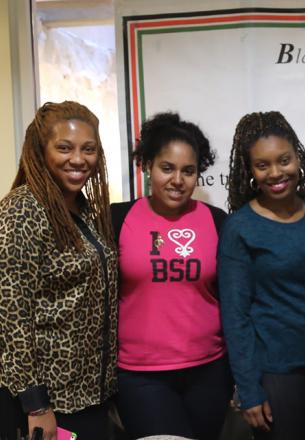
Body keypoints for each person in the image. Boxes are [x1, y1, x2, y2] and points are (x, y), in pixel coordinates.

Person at [218, 111, 305, 440]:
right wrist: (248, 389)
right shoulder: (241, 228)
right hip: (278, 375)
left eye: (284, 160)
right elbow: (235, 316)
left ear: (298, 159)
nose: (276, 173)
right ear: (251, 171)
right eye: (263, 165)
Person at [0, 101, 117, 440]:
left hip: (90, 397)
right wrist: (36, 405)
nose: (78, 159)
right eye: (64, 148)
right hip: (47, 404)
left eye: (88, 149)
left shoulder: (86, 210)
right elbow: (12, 318)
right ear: (41, 151)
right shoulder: (21, 211)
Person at [112, 112, 233, 439]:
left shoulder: (217, 221)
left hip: (209, 373)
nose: (177, 180)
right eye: (167, 168)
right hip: (141, 376)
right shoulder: (117, 218)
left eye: (188, 171)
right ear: (148, 166)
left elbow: (233, 298)